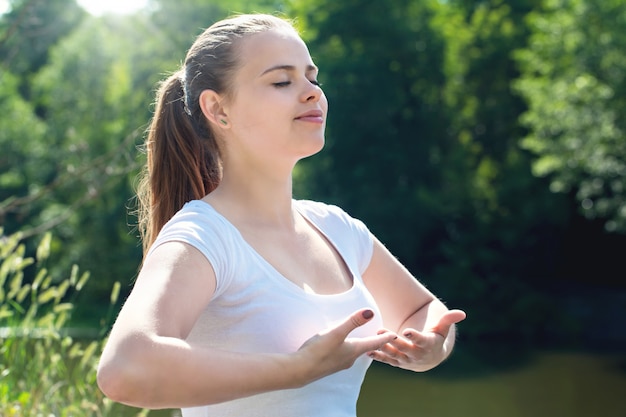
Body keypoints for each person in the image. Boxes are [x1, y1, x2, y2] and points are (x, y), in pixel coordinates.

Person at [96, 13, 466, 416]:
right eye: (281, 81)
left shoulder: (336, 229)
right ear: (218, 109)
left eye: (312, 77)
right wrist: (295, 369)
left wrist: (429, 344)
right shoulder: (202, 238)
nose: (312, 93)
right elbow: (123, 370)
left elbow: (422, 312)